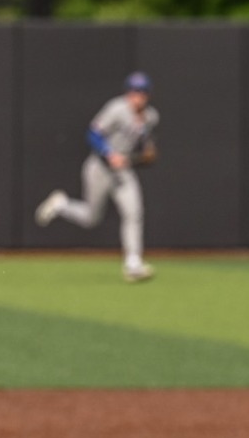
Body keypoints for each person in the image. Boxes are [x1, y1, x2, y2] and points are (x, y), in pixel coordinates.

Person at [34, 72, 160, 282]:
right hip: (99, 168)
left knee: (134, 212)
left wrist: (147, 152)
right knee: (91, 218)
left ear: (148, 95)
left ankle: (133, 264)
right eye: (134, 91)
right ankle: (61, 205)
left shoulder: (151, 116)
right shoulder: (117, 109)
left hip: (123, 171)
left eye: (142, 92)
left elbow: (146, 143)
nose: (138, 96)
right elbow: (92, 133)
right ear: (128, 92)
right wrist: (108, 153)